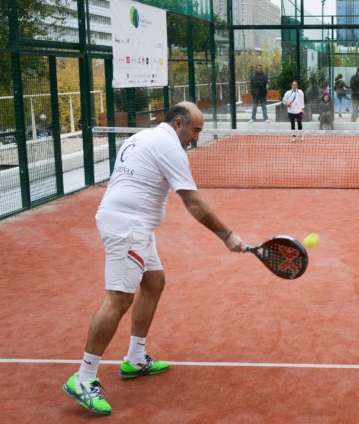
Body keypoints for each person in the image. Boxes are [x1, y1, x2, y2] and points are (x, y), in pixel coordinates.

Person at [63, 102, 245, 415]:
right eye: (195, 130)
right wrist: (227, 235)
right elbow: (193, 203)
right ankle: (84, 377)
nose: (196, 138)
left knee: (154, 282)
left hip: (132, 223)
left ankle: (135, 358)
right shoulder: (168, 146)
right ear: (178, 123)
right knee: (118, 299)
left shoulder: (141, 137)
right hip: (129, 226)